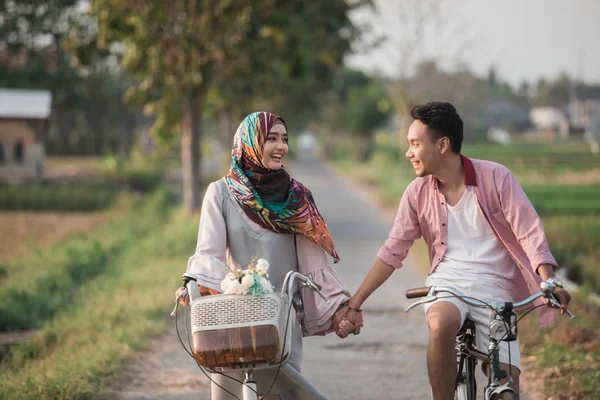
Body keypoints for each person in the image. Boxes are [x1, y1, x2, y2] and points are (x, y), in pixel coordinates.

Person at [337, 102, 571, 399]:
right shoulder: (417, 193)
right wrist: (355, 303)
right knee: (441, 323)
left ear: (443, 145)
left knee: (506, 386)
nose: (409, 153)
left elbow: (529, 231)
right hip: (448, 285)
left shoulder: (497, 178)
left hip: (498, 292)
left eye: (415, 144)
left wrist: (548, 280)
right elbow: (392, 251)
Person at [181, 111, 353, 400]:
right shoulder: (220, 193)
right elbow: (209, 254)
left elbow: (314, 267)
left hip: (282, 319)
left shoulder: (297, 198)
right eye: (271, 138)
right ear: (250, 142)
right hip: (235, 322)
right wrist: (195, 284)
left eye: (284, 139)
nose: (280, 146)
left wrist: (339, 312)